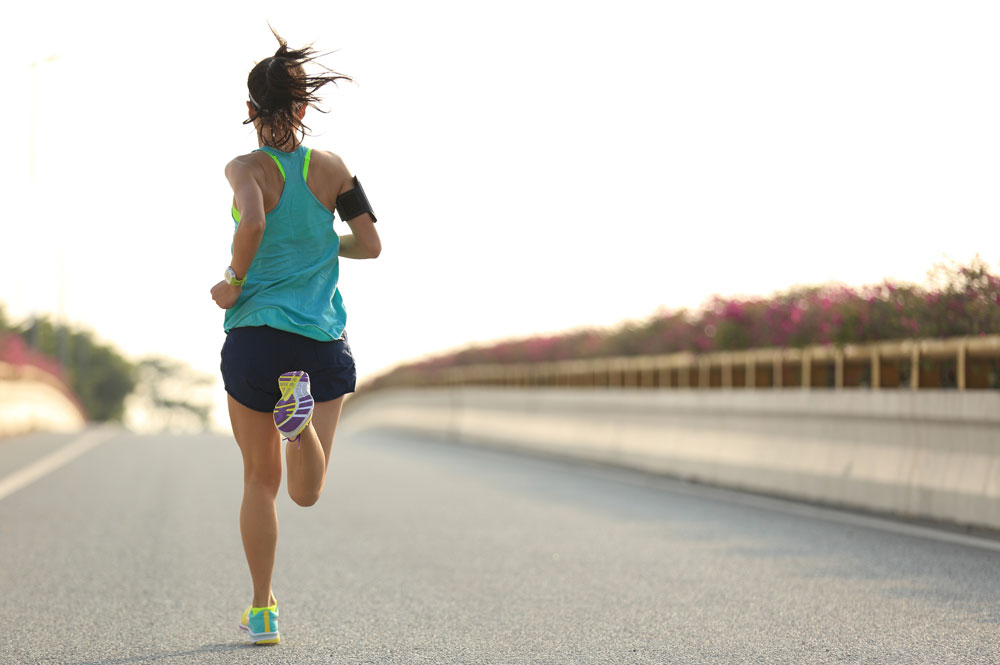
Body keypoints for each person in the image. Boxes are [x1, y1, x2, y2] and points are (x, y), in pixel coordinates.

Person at [210, 31, 381, 646]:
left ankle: (262, 611)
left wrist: (233, 279)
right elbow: (371, 244)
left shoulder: (244, 168)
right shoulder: (333, 169)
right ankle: (300, 424)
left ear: (250, 109)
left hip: (256, 339)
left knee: (261, 481)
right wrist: (320, 245)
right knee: (307, 491)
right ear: (305, 108)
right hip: (319, 344)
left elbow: (252, 219)